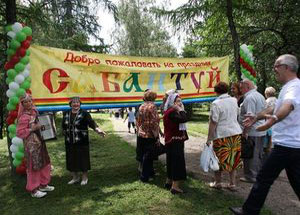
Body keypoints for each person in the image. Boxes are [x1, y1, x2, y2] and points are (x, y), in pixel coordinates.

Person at [230, 54, 300, 215]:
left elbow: (287, 106)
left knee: (263, 178)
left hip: (287, 145)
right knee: (296, 181)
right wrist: (257, 116)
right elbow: (274, 108)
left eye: (276, 65)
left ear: (286, 67)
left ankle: (249, 210)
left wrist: (274, 119)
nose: (274, 69)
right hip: (291, 145)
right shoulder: (290, 86)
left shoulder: (293, 87)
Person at [206, 82, 243, 191]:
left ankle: (218, 183)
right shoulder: (234, 100)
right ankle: (232, 184)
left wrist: (209, 138)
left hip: (222, 135)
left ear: (216, 91)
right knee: (234, 159)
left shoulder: (216, 103)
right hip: (235, 133)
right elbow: (237, 114)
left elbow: (213, 122)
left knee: (218, 159)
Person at [16, 94, 54, 198]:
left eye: (30, 101)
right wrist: (32, 129)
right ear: (22, 104)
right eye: (26, 102)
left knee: (44, 162)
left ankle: (43, 184)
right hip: (31, 145)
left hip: (40, 141)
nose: (28, 103)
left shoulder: (34, 112)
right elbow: (19, 133)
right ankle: (34, 190)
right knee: (34, 166)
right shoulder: (23, 117)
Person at [62, 97, 106, 185]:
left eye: (77, 102)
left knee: (83, 158)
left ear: (80, 103)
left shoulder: (84, 113)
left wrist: (98, 130)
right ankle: (75, 177)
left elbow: (91, 123)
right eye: (73, 102)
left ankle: (84, 177)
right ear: (70, 104)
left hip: (82, 141)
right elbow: (63, 125)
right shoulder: (66, 113)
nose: (75, 104)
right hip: (69, 141)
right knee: (71, 158)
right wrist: (64, 132)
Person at [239, 79, 266, 183]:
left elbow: (249, 117)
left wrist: (245, 132)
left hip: (252, 131)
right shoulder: (260, 95)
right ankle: (257, 173)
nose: (240, 90)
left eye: (242, 87)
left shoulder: (249, 98)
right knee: (258, 153)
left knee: (250, 154)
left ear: (248, 86)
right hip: (261, 129)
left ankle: (250, 176)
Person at [163, 92, 188, 194]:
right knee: (177, 162)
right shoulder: (173, 112)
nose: (180, 103)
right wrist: (181, 110)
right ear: (172, 102)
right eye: (177, 101)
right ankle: (175, 186)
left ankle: (169, 182)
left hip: (170, 140)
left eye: (180, 101)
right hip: (175, 141)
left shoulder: (168, 111)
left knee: (171, 162)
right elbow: (184, 119)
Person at [136, 90, 162, 182]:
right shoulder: (153, 106)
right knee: (148, 156)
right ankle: (144, 177)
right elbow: (154, 122)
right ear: (153, 97)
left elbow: (139, 120)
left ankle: (151, 173)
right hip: (150, 134)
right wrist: (157, 136)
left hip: (141, 134)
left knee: (146, 155)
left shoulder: (141, 106)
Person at [263, 87, 277, 160]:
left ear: (266, 94)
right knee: (273, 145)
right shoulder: (278, 101)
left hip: (267, 124)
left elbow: (263, 113)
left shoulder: (266, 101)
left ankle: (266, 159)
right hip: (276, 124)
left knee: (265, 145)